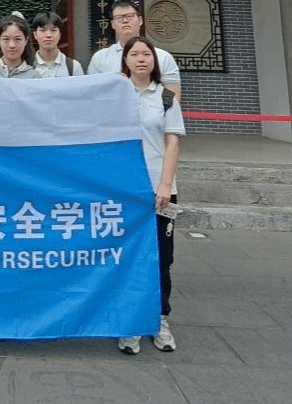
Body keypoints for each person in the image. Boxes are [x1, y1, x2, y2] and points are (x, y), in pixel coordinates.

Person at [116, 35, 184, 355]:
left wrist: (165, 184)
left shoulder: (166, 97)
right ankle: (130, 322)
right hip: (126, 189)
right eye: (135, 54)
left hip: (160, 190)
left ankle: (159, 319)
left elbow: (173, 141)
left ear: (154, 61)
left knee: (160, 258)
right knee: (127, 256)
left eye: (146, 54)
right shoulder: (115, 96)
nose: (141, 59)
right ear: (125, 61)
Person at [87, 0, 181, 100]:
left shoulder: (163, 57)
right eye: (119, 17)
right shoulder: (100, 58)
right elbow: (92, 93)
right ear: (113, 24)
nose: (125, 21)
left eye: (130, 16)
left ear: (140, 20)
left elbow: (173, 97)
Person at [31, 10, 84, 78]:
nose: (48, 35)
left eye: (53, 30)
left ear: (60, 34)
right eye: (43, 30)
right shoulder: (27, 66)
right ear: (35, 34)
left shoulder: (74, 67)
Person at [0, 13, 38, 79]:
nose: (12, 45)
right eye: (6, 39)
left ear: (26, 40)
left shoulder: (34, 77)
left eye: (17, 39)